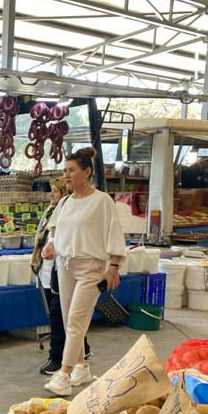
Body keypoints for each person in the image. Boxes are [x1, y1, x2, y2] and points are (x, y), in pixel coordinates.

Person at [41, 147, 125, 396]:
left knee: (77, 320)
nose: (67, 175)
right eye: (65, 171)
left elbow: (114, 235)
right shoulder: (65, 201)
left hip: (92, 266)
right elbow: (56, 230)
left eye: (72, 170)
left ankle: (64, 374)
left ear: (86, 172)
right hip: (66, 265)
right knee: (69, 321)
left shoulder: (102, 201)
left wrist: (114, 267)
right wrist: (51, 245)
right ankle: (81, 367)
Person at [31, 178, 90, 376]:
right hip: (48, 269)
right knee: (64, 315)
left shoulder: (74, 211)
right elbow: (50, 236)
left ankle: (58, 358)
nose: (51, 195)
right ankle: (83, 350)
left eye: (55, 191)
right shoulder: (54, 210)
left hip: (64, 268)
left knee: (61, 315)